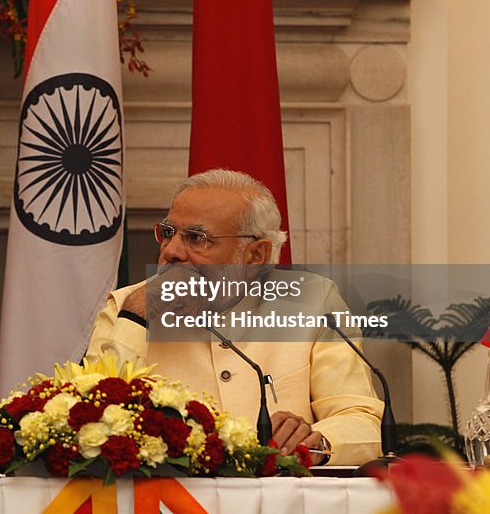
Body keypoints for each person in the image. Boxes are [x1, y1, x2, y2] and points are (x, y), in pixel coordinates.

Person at [86, 169, 384, 465]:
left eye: (197, 238)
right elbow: (87, 421)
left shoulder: (313, 302)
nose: (172, 251)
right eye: (168, 232)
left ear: (255, 255)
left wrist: (315, 443)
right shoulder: (127, 307)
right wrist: (136, 317)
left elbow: (359, 418)